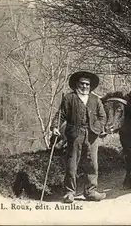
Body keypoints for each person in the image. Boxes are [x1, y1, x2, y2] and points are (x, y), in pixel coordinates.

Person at [50, 71, 108, 203]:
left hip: (92, 135)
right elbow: (61, 114)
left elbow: (102, 116)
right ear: (77, 84)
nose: (85, 86)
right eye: (82, 83)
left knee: (92, 163)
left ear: (90, 86)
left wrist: (97, 128)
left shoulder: (95, 99)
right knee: (72, 164)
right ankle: (69, 193)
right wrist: (55, 127)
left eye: (87, 84)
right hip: (74, 134)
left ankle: (91, 191)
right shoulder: (69, 98)